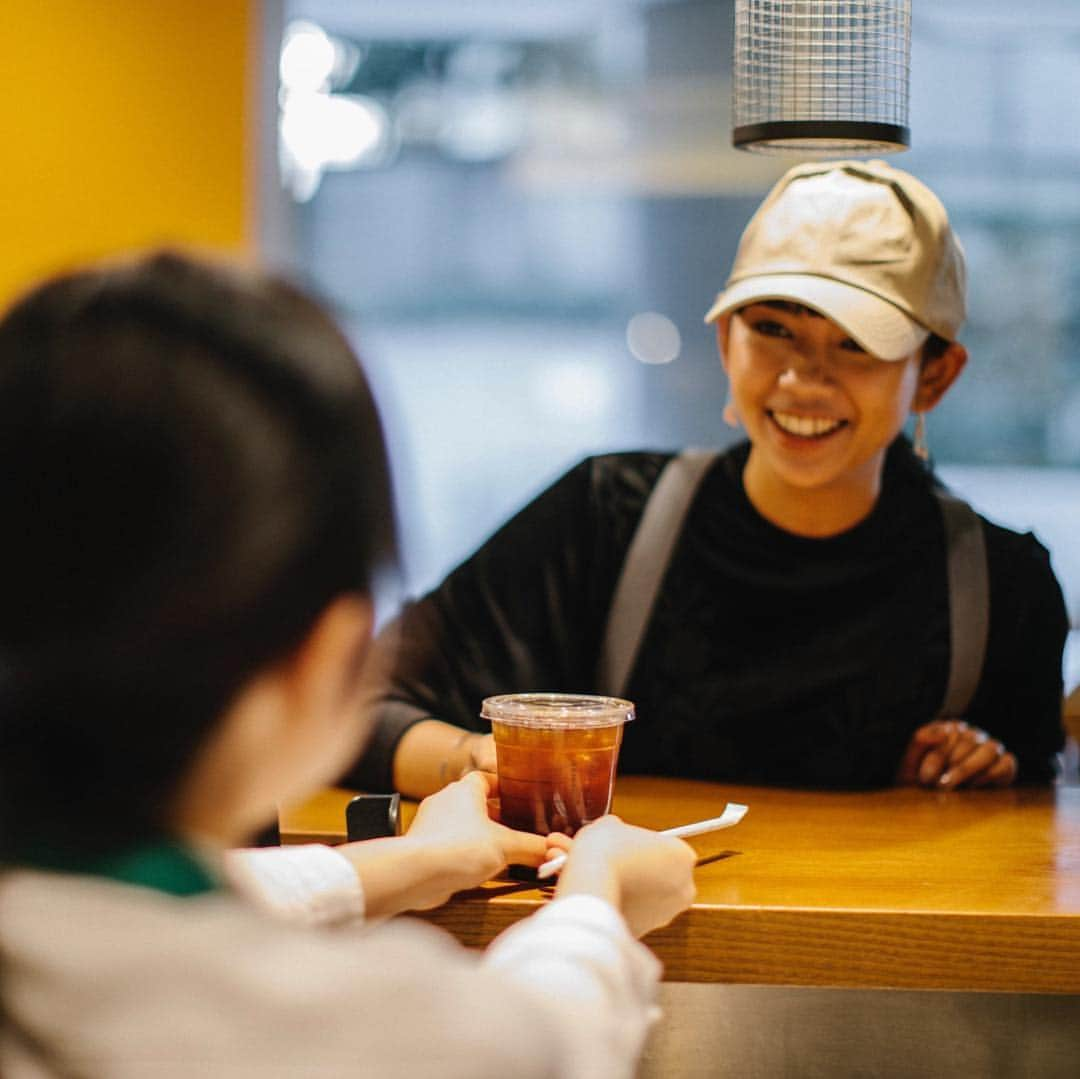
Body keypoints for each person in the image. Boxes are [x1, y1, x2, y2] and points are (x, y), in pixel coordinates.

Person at [0, 251, 696, 1077]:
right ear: (325, 651)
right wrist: (598, 899)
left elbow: (112, 912)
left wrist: (418, 861)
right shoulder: (370, 1031)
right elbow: (539, 1038)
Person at [350, 159, 1068, 799]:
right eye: (773, 327)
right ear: (725, 338)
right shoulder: (607, 520)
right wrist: (487, 761)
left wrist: (978, 774)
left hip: (877, 950)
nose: (801, 379)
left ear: (934, 375)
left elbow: (1035, 841)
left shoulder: (1002, 588)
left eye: (856, 345)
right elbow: (355, 705)